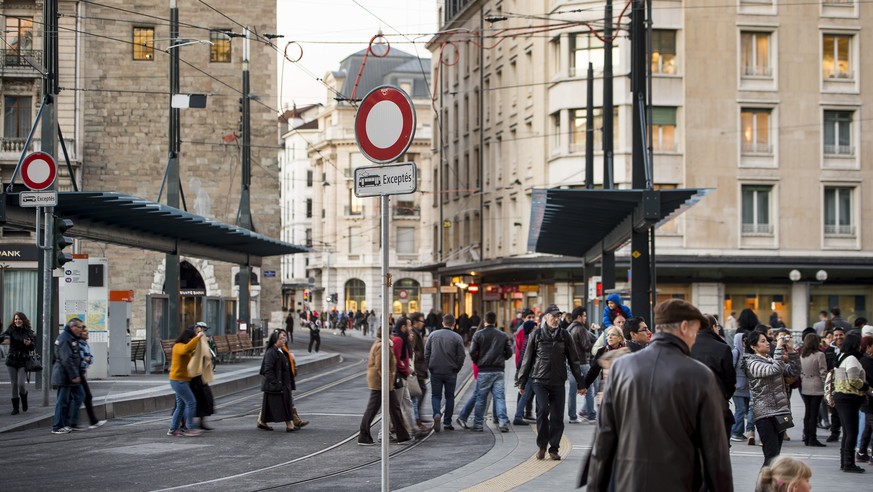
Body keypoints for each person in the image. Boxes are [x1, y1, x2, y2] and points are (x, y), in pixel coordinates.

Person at [584, 299, 731, 491]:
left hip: (628, 482)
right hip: (679, 482)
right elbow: (715, 451)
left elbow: (604, 438)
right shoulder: (700, 375)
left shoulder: (622, 367)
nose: (695, 338)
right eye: (695, 330)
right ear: (685, 327)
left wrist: (596, 487)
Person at [517, 304, 585, 460]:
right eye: (553, 316)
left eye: (558, 316)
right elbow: (527, 360)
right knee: (543, 411)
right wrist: (521, 382)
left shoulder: (565, 335)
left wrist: (581, 383)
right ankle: (542, 446)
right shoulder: (536, 335)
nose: (556, 319)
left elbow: (574, 361)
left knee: (557, 416)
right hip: (539, 380)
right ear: (545, 318)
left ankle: (553, 448)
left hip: (558, 381)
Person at [743, 329, 799, 466]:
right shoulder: (751, 363)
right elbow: (775, 370)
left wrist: (791, 351)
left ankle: (771, 486)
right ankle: (762, 486)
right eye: (763, 341)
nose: (768, 343)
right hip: (764, 415)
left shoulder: (771, 360)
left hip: (780, 412)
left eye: (767, 341)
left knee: (776, 458)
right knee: (771, 457)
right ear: (753, 346)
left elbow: (795, 372)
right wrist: (779, 347)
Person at [357, 326, 411, 445]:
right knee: (375, 409)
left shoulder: (383, 344)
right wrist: (386, 381)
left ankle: (403, 436)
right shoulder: (382, 346)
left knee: (393, 408)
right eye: (391, 333)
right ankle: (363, 436)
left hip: (383, 381)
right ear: (387, 333)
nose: (392, 335)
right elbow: (381, 365)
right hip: (380, 382)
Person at [691, 313, 737, 445]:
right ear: (714, 327)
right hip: (717, 404)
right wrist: (725, 396)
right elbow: (730, 380)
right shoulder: (723, 348)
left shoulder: (687, 346)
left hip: (691, 405)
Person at [469, 311, 513, 433]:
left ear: (484, 321)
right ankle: (503, 423)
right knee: (499, 398)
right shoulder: (502, 335)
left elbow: (472, 352)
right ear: (495, 321)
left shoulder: (478, 335)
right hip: (498, 370)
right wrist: (501, 358)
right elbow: (509, 352)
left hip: (484, 370)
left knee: (481, 398)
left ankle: (478, 424)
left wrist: (479, 361)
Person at [832, 332, 868, 472]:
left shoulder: (841, 356)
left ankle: (844, 462)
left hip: (841, 397)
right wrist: (866, 387)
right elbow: (853, 379)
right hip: (849, 398)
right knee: (852, 432)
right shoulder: (852, 358)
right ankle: (849, 463)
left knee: (847, 432)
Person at [426, 313, 465, 432]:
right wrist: (457, 368)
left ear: (442, 323)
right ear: (454, 324)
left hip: (435, 370)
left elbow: (427, 352)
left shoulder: (433, 335)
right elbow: (461, 356)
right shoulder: (457, 337)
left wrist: (429, 366)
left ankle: (437, 413)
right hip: (450, 371)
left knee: (435, 395)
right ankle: (447, 422)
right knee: (450, 397)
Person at [167, 327, 204, 437]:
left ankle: (173, 429)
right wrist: (197, 338)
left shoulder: (184, 347)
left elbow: (191, 350)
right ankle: (190, 428)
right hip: (178, 380)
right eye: (190, 339)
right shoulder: (178, 346)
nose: (190, 341)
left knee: (181, 406)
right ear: (187, 338)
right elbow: (186, 349)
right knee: (191, 402)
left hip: (181, 380)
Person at [51, 318, 86, 434]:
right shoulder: (65, 338)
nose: (81, 330)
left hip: (70, 376)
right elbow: (66, 359)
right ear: (73, 327)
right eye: (79, 327)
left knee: (79, 396)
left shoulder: (71, 338)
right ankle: (57, 426)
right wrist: (74, 375)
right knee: (62, 401)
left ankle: (70, 423)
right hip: (64, 376)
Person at [257, 330, 296, 432]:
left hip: (283, 383)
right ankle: (289, 424)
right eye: (281, 339)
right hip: (277, 385)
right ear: (275, 340)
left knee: (275, 406)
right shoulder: (271, 352)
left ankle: (263, 421)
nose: (284, 340)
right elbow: (268, 369)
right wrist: (275, 382)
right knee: (283, 405)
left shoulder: (281, 350)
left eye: (284, 338)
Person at [1, 312, 35, 415]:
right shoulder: (11, 329)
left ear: (23, 320)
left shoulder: (28, 332)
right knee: (14, 384)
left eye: (19, 319)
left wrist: (29, 344)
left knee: (21, 384)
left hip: (22, 361)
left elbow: (32, 347)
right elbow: (3, 335)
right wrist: (5, 337)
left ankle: (24, 398)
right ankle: (15, 408)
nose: (17, 321)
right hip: (11, 360)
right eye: (15, 319)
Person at [799, 333, 827, 447]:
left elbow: (800, 371)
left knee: (808, 412)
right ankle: (812, 438)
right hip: (817, 385)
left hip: (805, 384)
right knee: (814, 413)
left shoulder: (802, 355)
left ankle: (806, 436)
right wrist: (827, 386)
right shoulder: (820, 355)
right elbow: (823, 372)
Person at [566, 306, 592, 424]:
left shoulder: (569, 328)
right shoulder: (581, 329)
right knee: (589, 389)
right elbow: (586, 346)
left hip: (570, 364)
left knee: (572, 391)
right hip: (582, 363)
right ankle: (591, 414)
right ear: (579, 316)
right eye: (585, 316)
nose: (586, 318)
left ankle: (572, 416)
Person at [77, 326, 107, 429]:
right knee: (81, 397)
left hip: (80, 373)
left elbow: (90, 358)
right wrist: (86, 360)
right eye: (85, 331)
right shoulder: (79, 344)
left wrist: (87, 360)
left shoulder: (84, 344)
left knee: (85, 397)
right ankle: (73, 422)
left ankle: (92, 420)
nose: (87, 333)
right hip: (77, 373)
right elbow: (81, 359)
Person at [512, 310, 538, 425]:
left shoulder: (529, 339)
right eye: (534, 328)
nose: (536, 329)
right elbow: (523, 357)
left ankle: (523, 414)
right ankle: (518, 416)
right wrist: (520, 371)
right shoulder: (529, 340)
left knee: (526, 393)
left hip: (528, 371)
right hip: (528, 372)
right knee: (525, 393)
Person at [190, 322, 216, 431]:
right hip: (192, 375)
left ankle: (201, 421)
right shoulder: (193, 340)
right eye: (198, 331)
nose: (201, 333)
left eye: (202, 331)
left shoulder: (202, 340)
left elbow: (207, 354)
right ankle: (185, 423)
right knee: (189, 400)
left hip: (200, 374)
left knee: (205, 398)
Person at [730, 331, 754, 444]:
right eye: (744, 340)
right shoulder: (735, 352)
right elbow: (731, 368)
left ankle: (738, 431)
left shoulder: (747, 352)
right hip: (738, 386)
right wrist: (733, 381)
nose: (745, 342)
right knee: (740, 410)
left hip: (746, 386)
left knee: (743, 410)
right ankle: (735, 432)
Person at [408, 312, 430, 430]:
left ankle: (417, 416)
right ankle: (416, 418)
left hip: (418, 368)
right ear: (415, 322)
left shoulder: (417, 333)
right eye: (422, 321)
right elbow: (412, 351)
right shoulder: (414, 334)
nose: (423, 324)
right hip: (416, 369)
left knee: (419, 392)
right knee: (418, 392)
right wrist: (423, 353)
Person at [857, 335, 873, 463]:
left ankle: (862, 452)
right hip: (869, 398)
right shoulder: (866, 361)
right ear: (868, 347)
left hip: (867, 400)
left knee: (868, 427)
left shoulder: (864, 360)